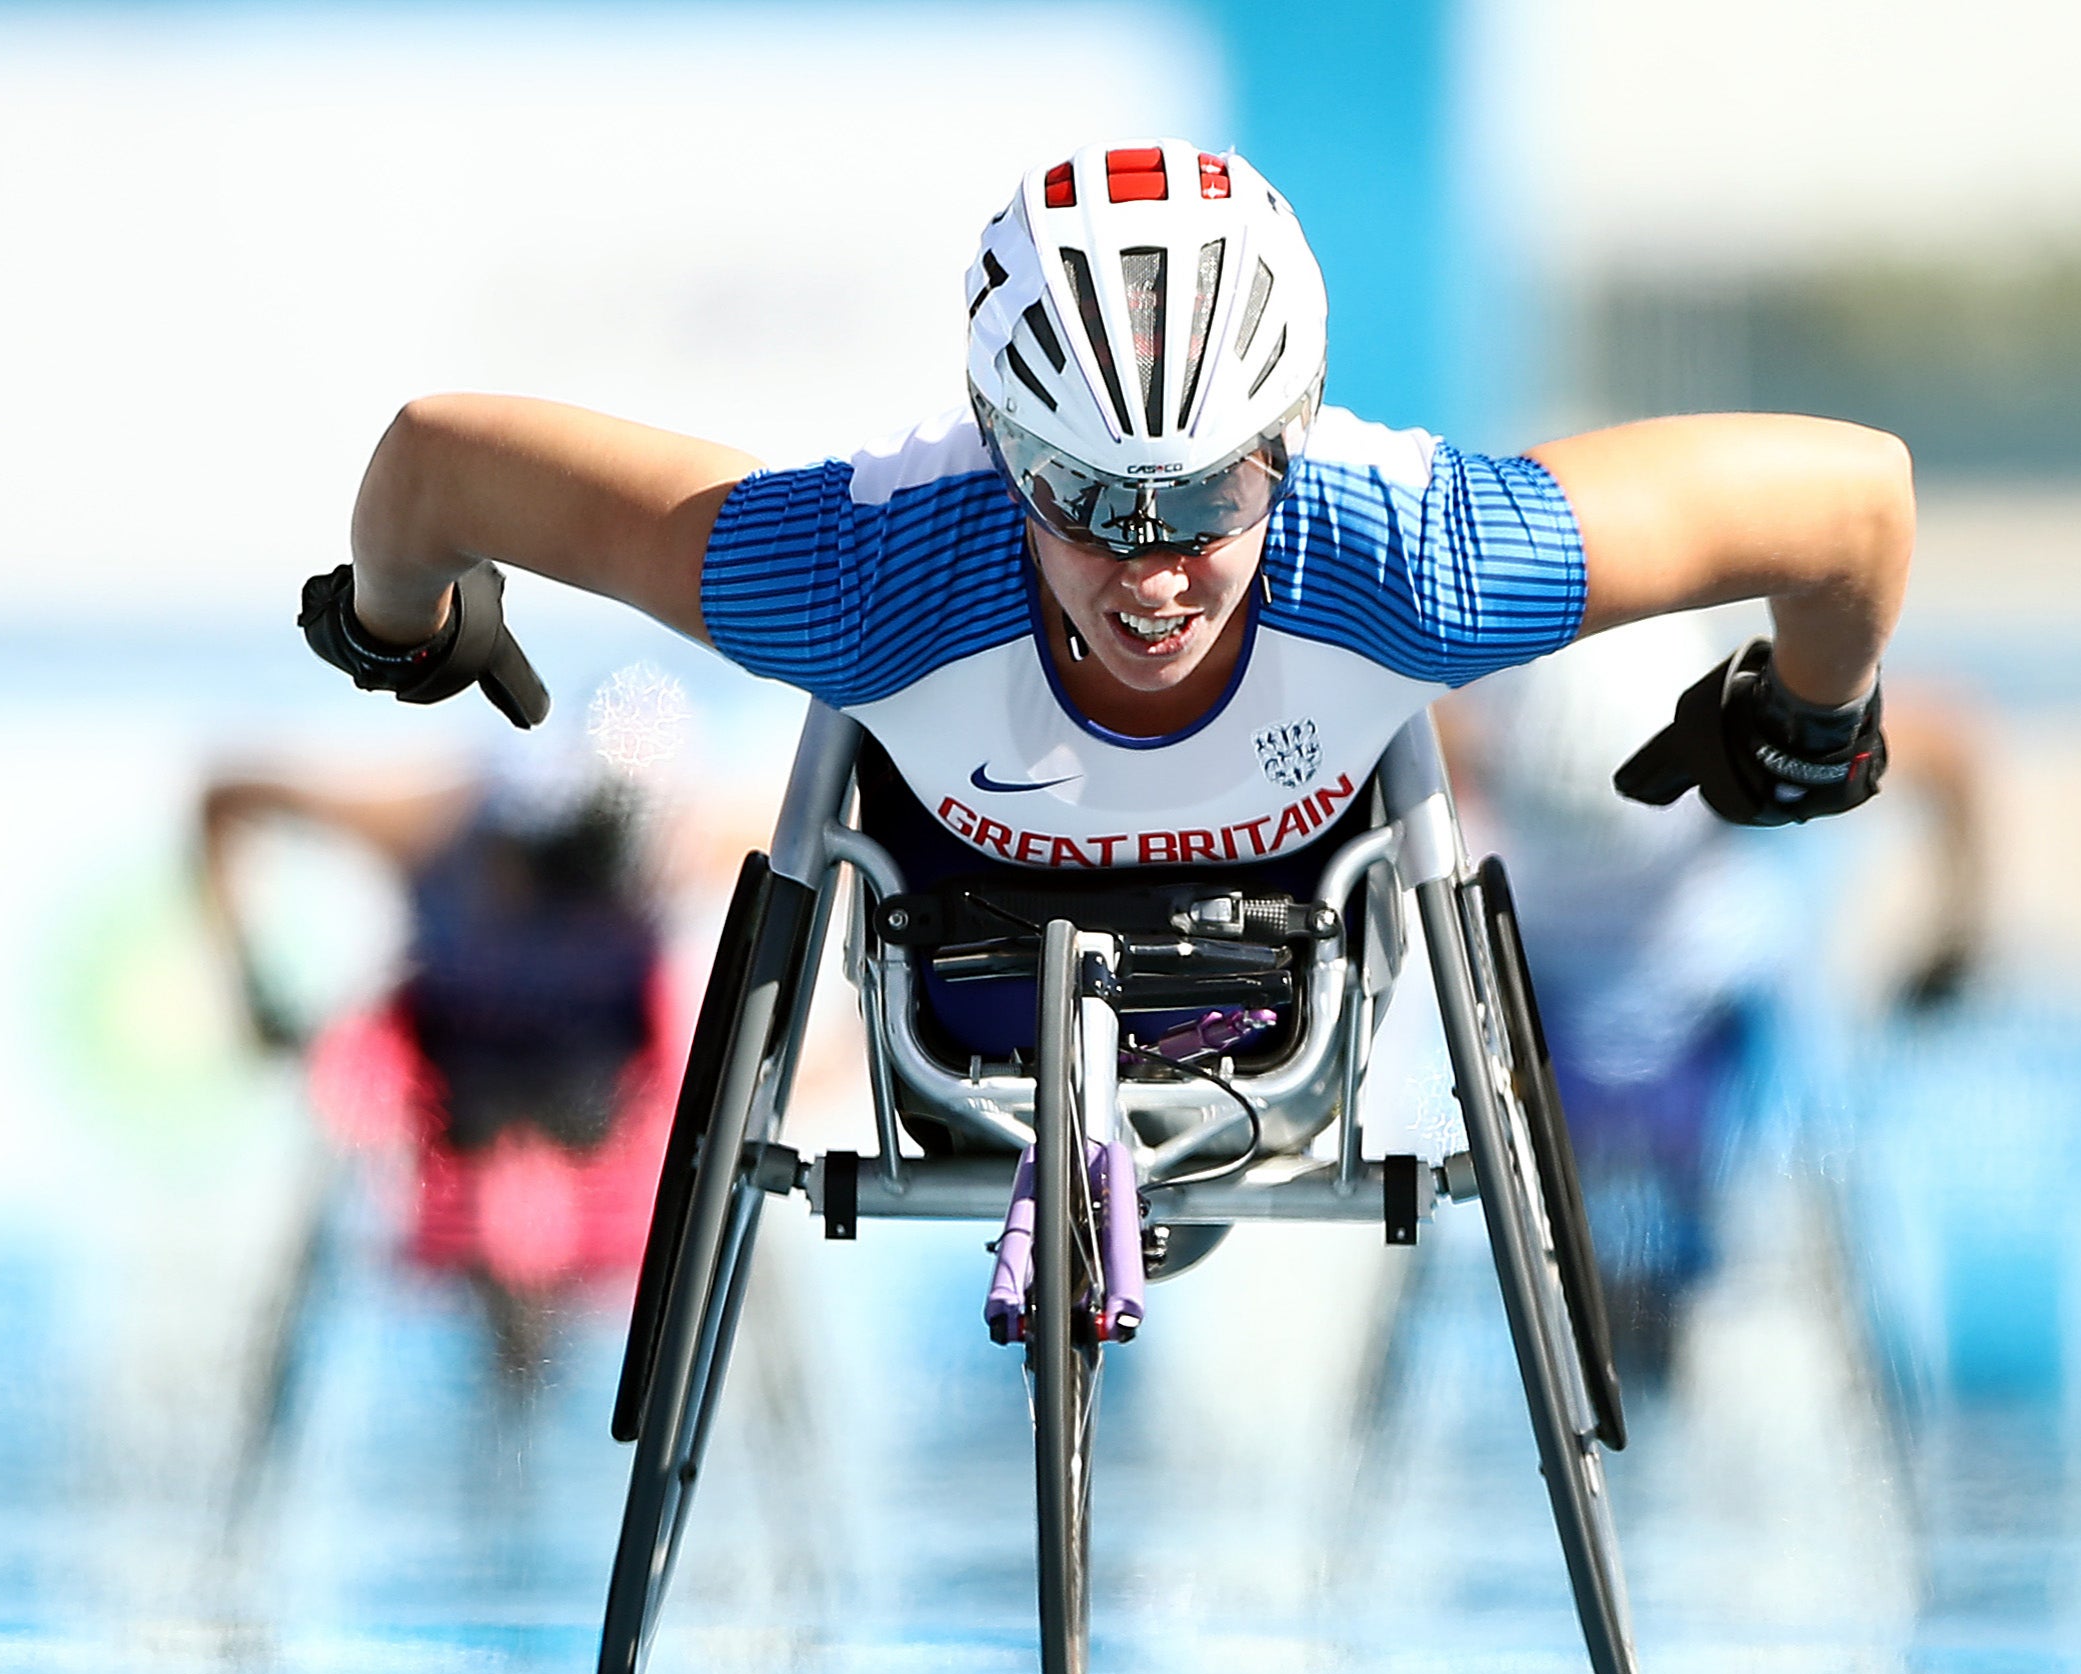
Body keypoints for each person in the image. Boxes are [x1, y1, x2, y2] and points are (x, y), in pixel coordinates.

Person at [298, 138, 1908, 1075]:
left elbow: (1852, 500)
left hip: (1274, 948)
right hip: (962, 961)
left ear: (1288, 445)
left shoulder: (1414, 554)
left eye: (1207, 499)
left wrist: (406, 622)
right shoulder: (861, 572)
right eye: (1081, 500)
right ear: (1000, 449)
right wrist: (1809, 717)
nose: (1150, 567)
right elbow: (433, 457)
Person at [1444, 623, 1984, 1375]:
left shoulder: (1469, 729)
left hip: (1586, 1014)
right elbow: (1949, 745)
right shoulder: (1711, 737)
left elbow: (1947, 744)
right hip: (1678, 1026)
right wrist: (1956, 937)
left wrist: (1954, 932)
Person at [201, 753, 677, 1386]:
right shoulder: (649, 858)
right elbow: (226, 797)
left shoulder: (436, 838)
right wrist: (254, 995)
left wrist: (259, 1000)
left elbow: (227, 798)